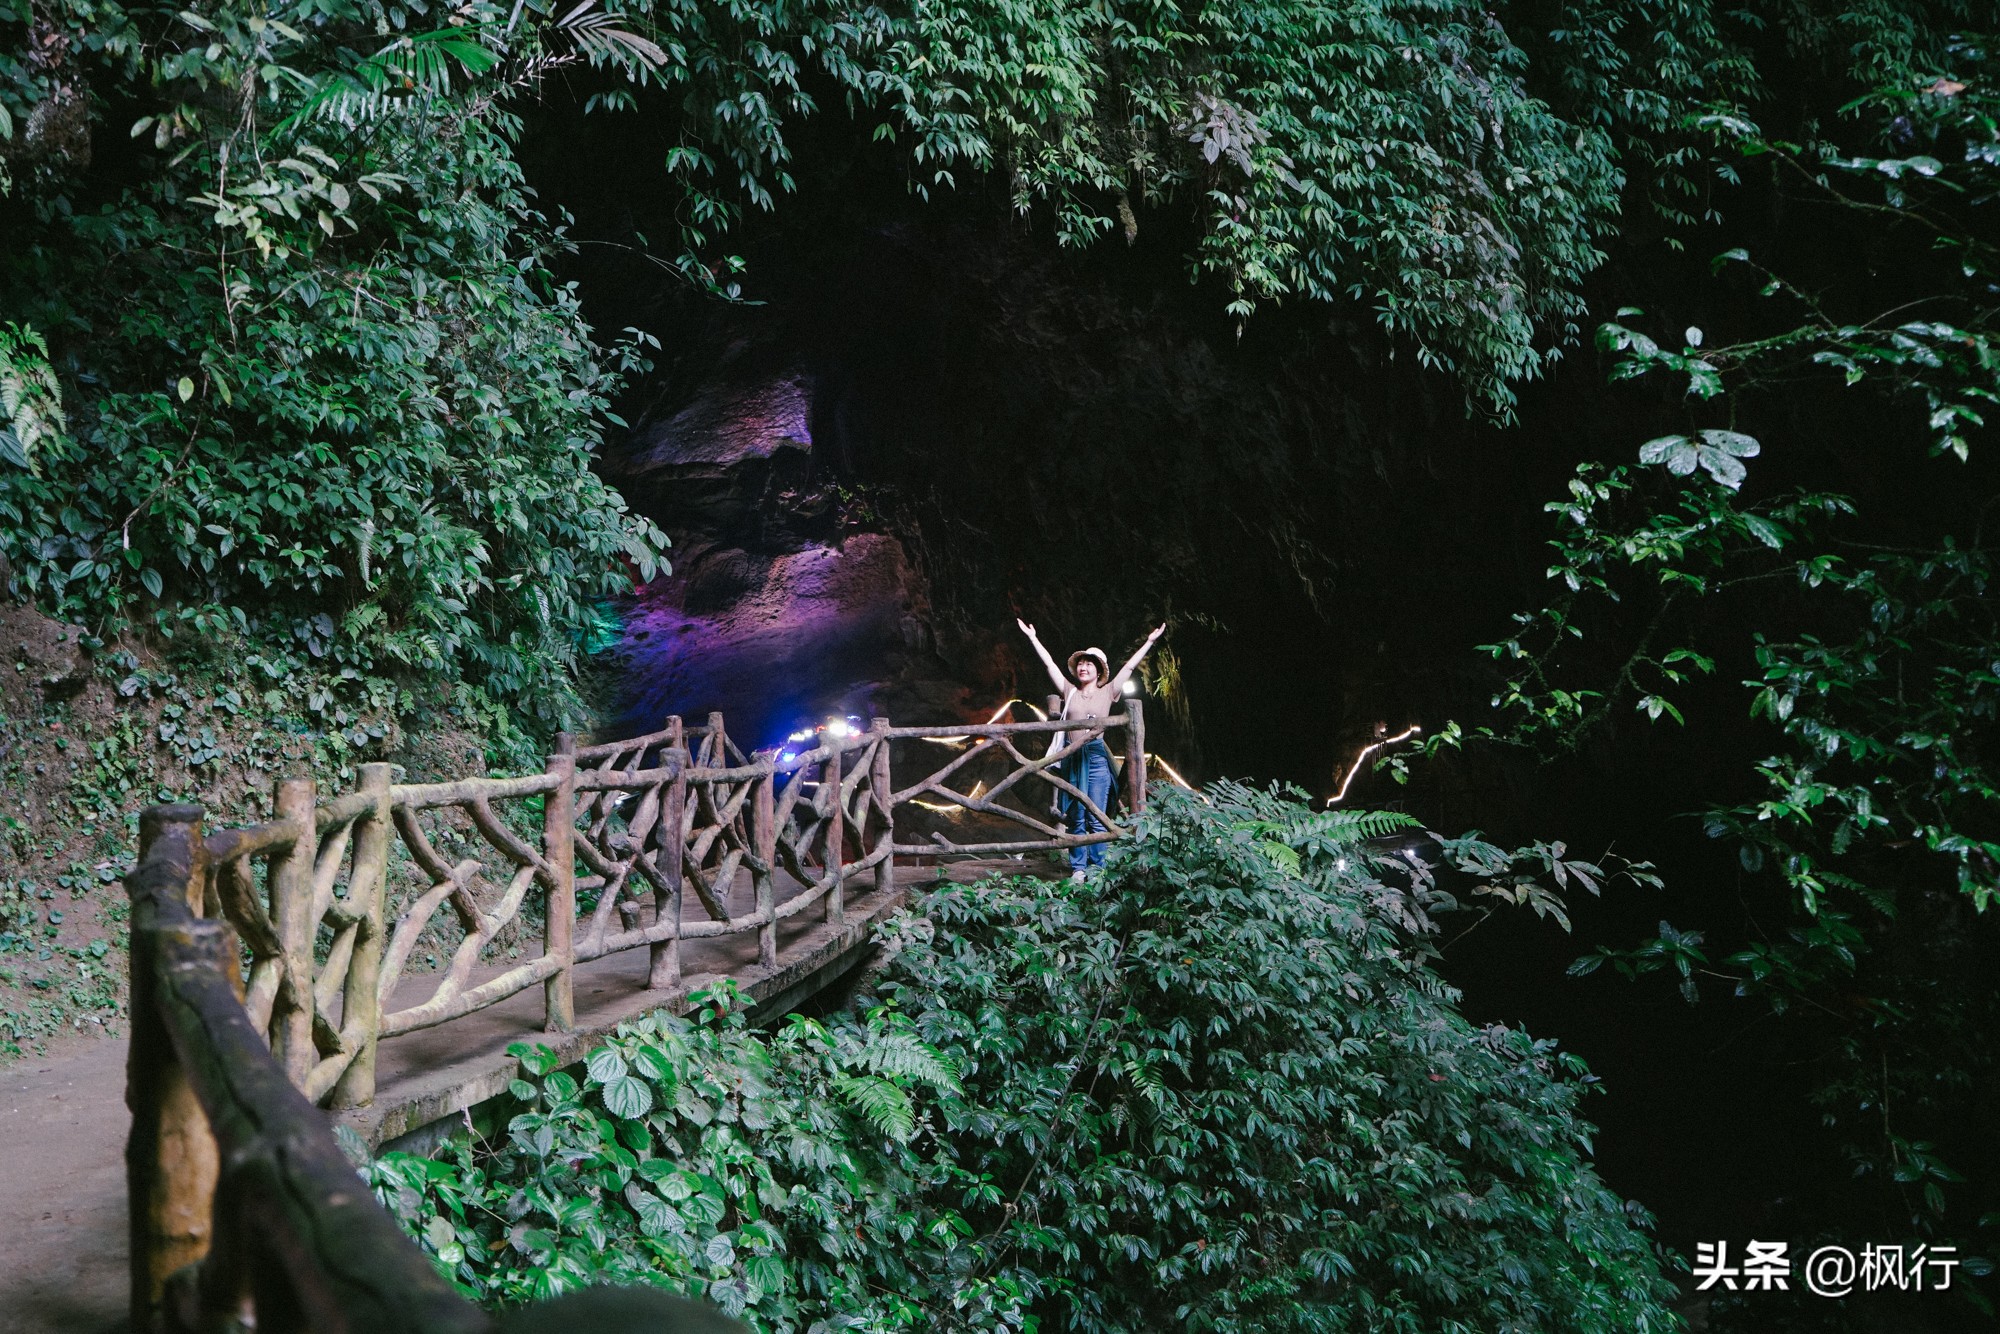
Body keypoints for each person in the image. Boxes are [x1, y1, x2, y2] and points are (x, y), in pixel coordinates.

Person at [1016, 618, 1167, 880]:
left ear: (1099, 671)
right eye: (1081, 663)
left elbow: (1130, 666)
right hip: (1073, 758)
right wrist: (1032, 638)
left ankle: (1098, 869)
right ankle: (1078, 868)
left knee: (1096, 815)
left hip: (1096, 758)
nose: (1084, 667)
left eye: (1090, 664)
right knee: (1076, 815)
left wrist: (1150, 642)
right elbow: (1049, 663)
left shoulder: (1109, 691)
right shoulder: (1069, 690)